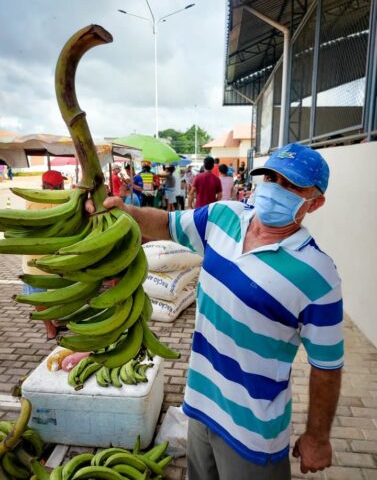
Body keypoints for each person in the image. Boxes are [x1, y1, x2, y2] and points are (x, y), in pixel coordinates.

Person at [87, 143, 343, 479]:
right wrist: (127, 212)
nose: (275, 189)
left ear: (316, 202)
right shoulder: (224, 216)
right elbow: (167, 223)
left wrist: (318, 437)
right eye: (271, 177)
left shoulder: (318, 274)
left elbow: (326, 365)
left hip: (252, 430)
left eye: (291, 185)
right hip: (200, 404)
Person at [22, 170, 68, 340]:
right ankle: (53, 325)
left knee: (37, 296)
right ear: (59, 186)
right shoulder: (63, 201)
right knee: (54, 292)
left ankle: (51, 325)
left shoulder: (31, 199)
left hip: (32, 257)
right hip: (55, 257)